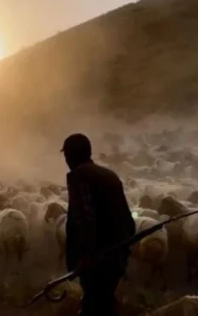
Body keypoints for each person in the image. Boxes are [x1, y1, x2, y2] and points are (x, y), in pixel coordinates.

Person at [61, 133, 135, 316]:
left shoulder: (79, 177)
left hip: (96, 261)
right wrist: (123, 248)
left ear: (70, 156)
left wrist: (85, 257)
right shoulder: (110, 176)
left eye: (66, 156)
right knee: (105, 302)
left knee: (94, 305)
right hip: (117, 257)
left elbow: (85, 220)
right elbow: (127, 219)